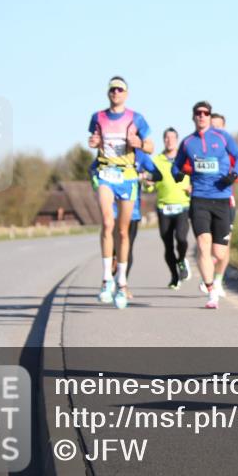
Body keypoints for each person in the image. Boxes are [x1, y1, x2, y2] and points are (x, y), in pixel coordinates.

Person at [173, 101, 238, 309]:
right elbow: (176, 165)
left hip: (222, 198)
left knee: (220, 252)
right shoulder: (187, 142)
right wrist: (177, 174)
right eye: (198, 113)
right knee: (203, 244)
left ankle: (214, 277)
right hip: (199, 199)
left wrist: (233, 175)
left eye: (205, 113)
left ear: (209, 116)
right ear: (193, 117)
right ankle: (211, 292)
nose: (202, 116)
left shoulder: (223, 137)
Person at [89, 76, 153, 309]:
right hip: (106, 173)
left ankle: (122, 282)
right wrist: (94, 141)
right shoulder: (98, 117)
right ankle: (107, 280)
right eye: (112, 89)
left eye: (120, 89)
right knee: (108, 223)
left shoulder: (136, 118)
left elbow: (150, 147)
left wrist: (138, 143)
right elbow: (94, 139)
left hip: (127, 177)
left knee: (123, 232)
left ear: (126, 94)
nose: (116, 92)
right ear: (108, 93)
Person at [148, 129, 192, 289]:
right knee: (167, 245)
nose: (169, 140)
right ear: (163, 140)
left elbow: (194, 175)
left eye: (172, 137)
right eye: (166, 137)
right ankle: (174, 276)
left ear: (177, 140)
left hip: (182, 205)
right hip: (163, 207)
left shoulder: (184, 158)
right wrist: (148, 185)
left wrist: (193, 186)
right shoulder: (156, 161)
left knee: (181, 238)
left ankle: (181, 260)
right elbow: (150, 187)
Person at [209, 112, 237, 279]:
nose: (215, 130)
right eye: (213, 127)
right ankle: (208, 274)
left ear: (224, 128)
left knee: (224, 244)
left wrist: (230, 176)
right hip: (203, 201)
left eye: (218, 126)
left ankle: (218, 280)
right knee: (206, 243)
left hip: (226, 201)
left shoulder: (229, 149)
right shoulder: (200, 147)